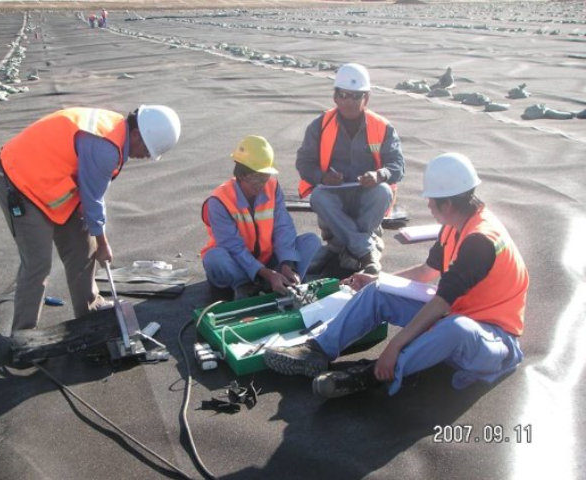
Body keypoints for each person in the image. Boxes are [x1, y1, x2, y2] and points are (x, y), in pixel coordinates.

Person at [264, 153, 529, 399]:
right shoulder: (454, 226)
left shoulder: (480, 240)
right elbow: (427, 272)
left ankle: (372, 374)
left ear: (447, 203)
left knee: (455, 329)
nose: (428, 204)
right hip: (457, 314)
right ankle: (316, 351)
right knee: (379, 291)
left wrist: (395, 345)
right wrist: (379, 280)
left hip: (492, 339)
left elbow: (442, 302)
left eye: (431, 199)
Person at [0, 105, 181, 336]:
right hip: (19, 181)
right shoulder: (106, 148)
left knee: (82, 247)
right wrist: (103, 243)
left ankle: (90, 308)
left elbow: (87, 196)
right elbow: (93, 201)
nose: (145, 156)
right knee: (38, 263)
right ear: (135, 134)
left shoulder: (116, 131)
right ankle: (23, 335)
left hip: (51, 181)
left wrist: (95, 241)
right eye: (147, 150)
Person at [296, 63, 404, 274]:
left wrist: (379, 174)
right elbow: (304, 163)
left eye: (355, 96)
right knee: (318, 196)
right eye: (343, 95)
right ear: (335, 97)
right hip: (334, 194)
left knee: (383, 192)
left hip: (367, 194)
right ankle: (365, 251)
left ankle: (340, 246)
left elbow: (397, 165)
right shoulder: (320, 126)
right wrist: (323, 177)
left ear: (367, 98)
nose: (348, 101)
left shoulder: (382, 127)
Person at [201, 135, 321, 299]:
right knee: (214, 259)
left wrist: (287, 264)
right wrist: (267, 274)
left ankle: (286, 281)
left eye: (265, 177)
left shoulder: (272, 187)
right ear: (242, 175)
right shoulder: (219, 201)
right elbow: (233, 247)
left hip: (269, 259)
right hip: (237, 264)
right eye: (257, 178)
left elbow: (283, 227)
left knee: (311, 241)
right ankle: (247, 286)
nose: (262, 183)